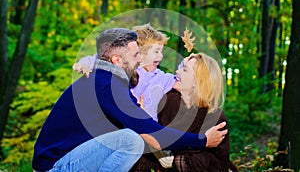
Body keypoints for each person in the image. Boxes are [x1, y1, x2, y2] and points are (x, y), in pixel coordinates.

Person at [32, 28, 227, 171]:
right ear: (117, 60)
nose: (140, 60)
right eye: (136, 55)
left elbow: (151, 135)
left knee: (132, 138)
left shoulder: (103, 79)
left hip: (68, 159)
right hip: (55, 165)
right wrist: (203, 140)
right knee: (130, 140)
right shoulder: (107, 85)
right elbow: (151, 132)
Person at [132, 53, 231, 171]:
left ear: (198, 81)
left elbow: (214, 162)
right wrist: (143, 118)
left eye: (184, 70)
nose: (177, 73)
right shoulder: (169, 100)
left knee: (184, 161)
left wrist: (173, 160)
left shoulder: (214, 116)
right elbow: (160, 137)